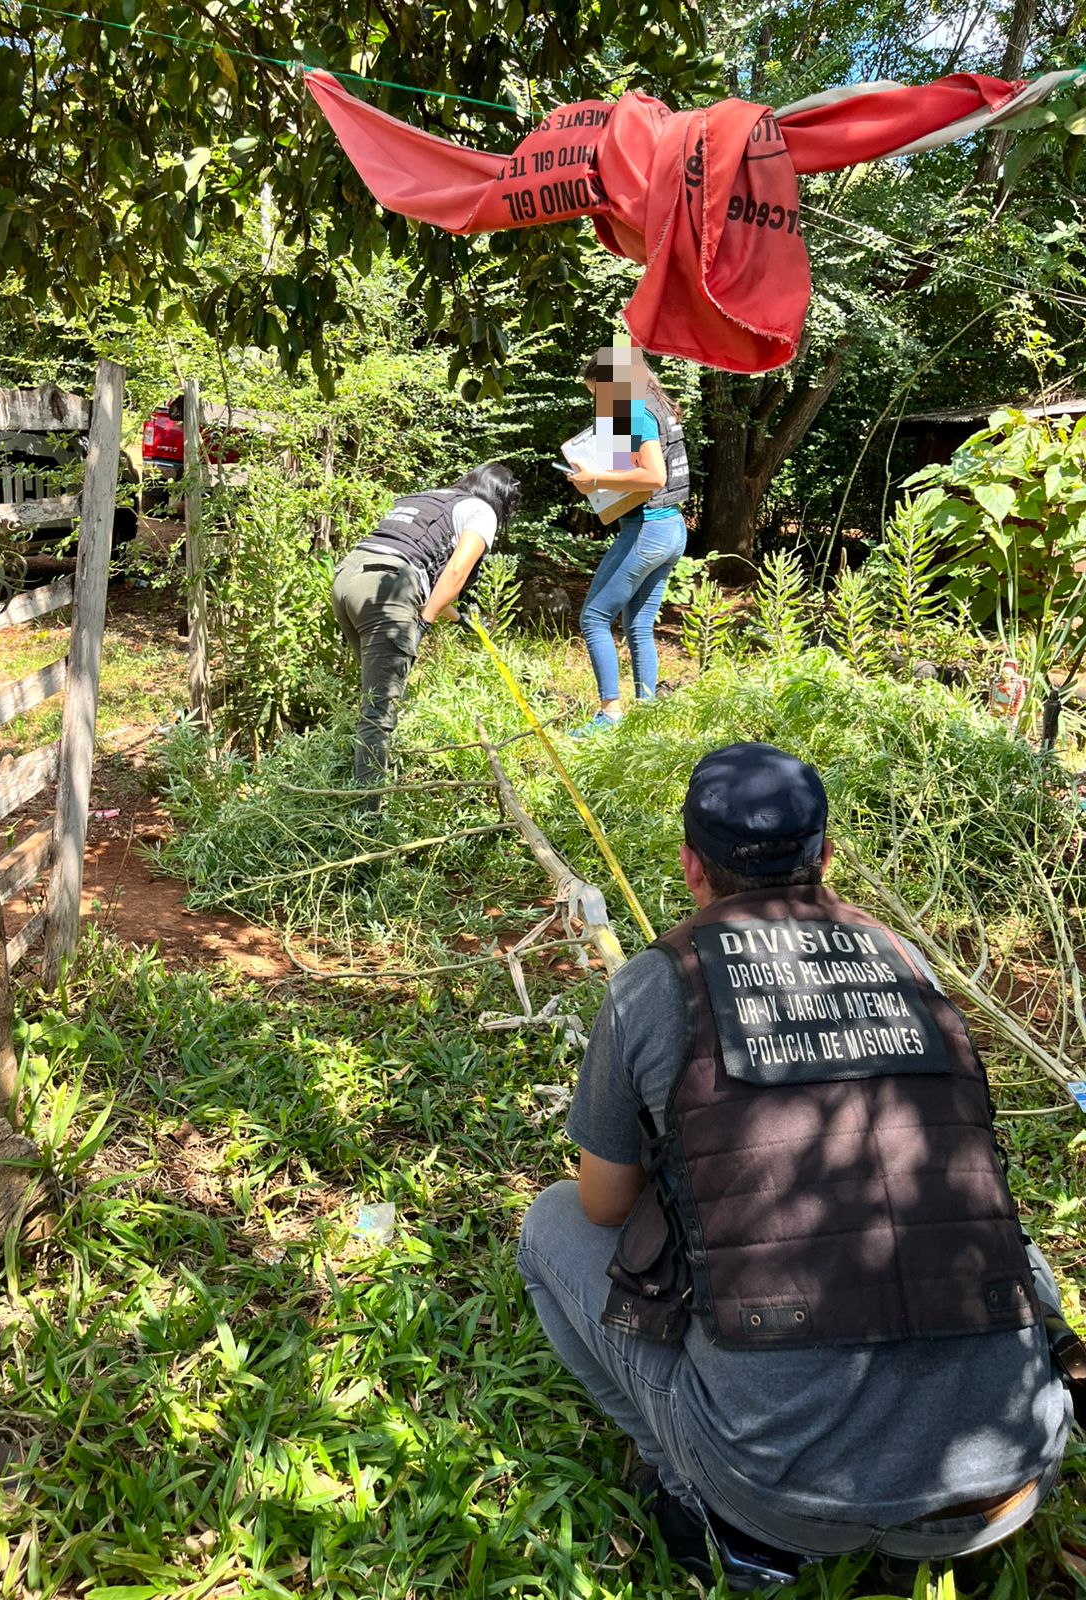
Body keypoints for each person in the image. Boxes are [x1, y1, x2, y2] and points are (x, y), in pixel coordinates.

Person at [518, 742, 1072, 1583]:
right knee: (1018, 1251)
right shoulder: (909, 962)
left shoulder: (656, 983)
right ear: (828, 857)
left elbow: (601, 1203)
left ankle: (707, 1512)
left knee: (549, 1224)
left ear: (691, 868)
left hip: (783, 1489)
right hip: (1008, 1478)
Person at [331, 462, 521, 796]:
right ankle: (367, 821)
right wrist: (423, 622)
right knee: (378, 715)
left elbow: (421, 577)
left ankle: (351, 782)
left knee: (372, 699)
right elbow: (455, 574)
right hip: (388, 588)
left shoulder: (430, 498)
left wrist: (461, 620)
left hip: (347, 579)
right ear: (501, 498)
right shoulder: (482, 512)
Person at [565, 346, 690, 737]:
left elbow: (653, 477)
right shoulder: (656, 403)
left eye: (598, 394)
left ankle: (611, 713)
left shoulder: (633, 410)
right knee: (638, 624)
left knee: (594, 618)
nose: (598, 404)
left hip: (648, 531)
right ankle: (646, 713)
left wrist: (595, 480)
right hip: (672, 529)